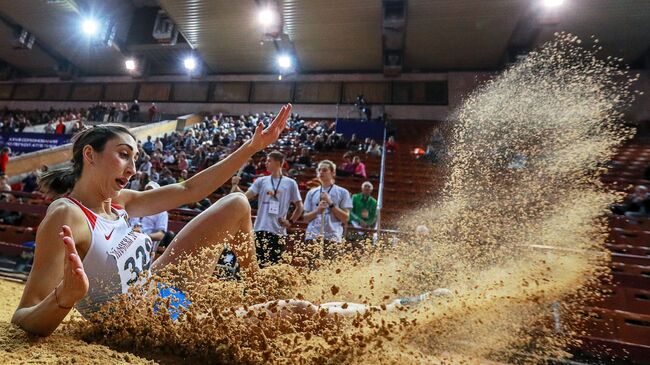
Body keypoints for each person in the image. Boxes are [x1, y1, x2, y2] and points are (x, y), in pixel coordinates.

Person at [12, 104, 292, 336]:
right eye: (123, 155)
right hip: (146, 322)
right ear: (90, 155)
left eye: (135, 159)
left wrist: (252, 147)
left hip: (160, 287)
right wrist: (64, 297)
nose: (133, 169)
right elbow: (24, 317)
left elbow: (190, 189)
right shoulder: (67, 214)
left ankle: (256, 290)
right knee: (298, 312)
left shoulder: (122, 201)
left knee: (237, 203)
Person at [231, 151, 304, 268]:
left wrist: (290, 221)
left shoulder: (290, 183)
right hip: (260, 228)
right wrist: (236, 186)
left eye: (269, 160)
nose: (266, 163)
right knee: (256, 265)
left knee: (271, 267)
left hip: (278, 231)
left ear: (279, 163)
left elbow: (300, 207)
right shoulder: (261, 181)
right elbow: (244, 197)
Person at [301, 160, 352, 265]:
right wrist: (317, 210)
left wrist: (331, 203)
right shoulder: (311, 192)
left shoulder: (342, 192)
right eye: (319, 170)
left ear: (333, 173)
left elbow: (346, 218)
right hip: (313, 236)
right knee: (311, 271)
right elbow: (305, 218)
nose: (321, 172)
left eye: (325, 170)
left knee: (328, 271)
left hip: (332, 237)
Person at [129, 181, 169, 255]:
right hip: (128, 244)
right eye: (147, 191)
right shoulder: (135, 207)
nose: (149, 194)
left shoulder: (161, 212)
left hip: (146, 249)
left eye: (152, 191)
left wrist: (142, 235)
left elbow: (160, 235)